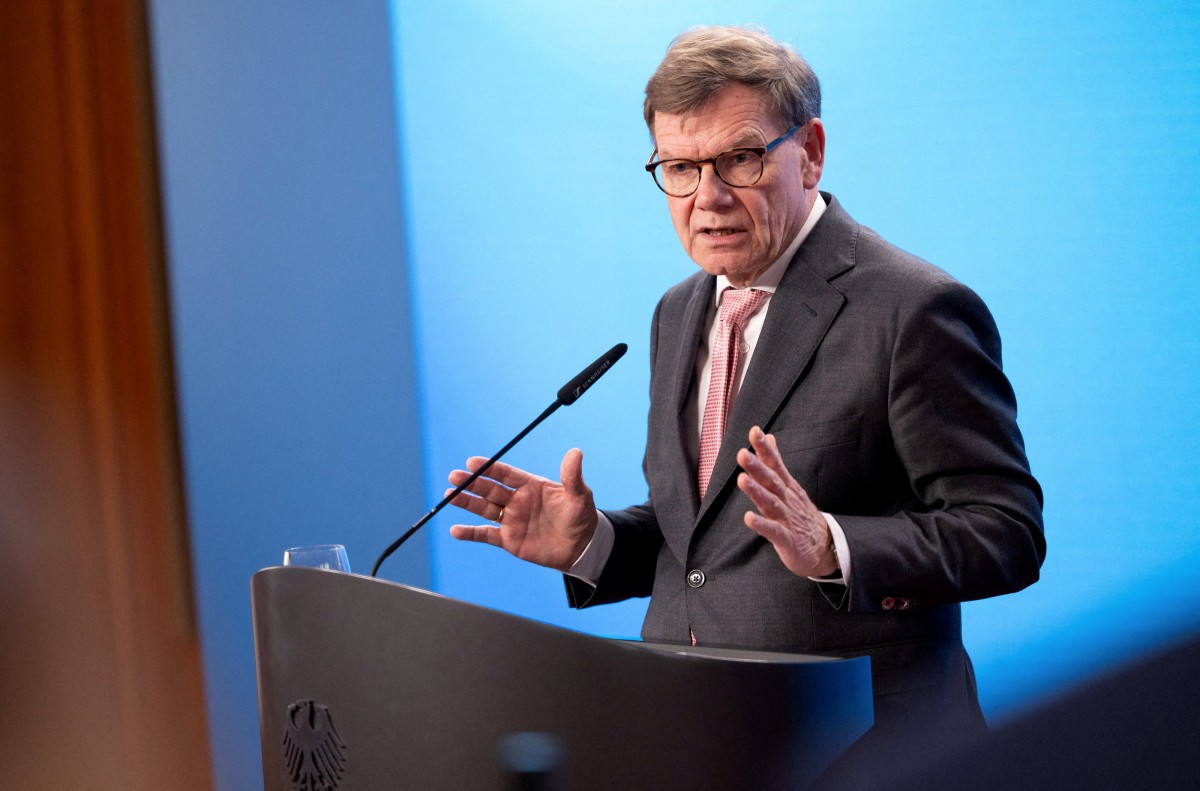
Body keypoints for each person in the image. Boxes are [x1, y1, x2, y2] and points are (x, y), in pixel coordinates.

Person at [446, 24, 1045, 766]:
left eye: (740, 159)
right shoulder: (679, 310)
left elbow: (1006, 532)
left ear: (811, 152)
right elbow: (704, 540)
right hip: (698, 744)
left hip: (865, 752)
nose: (708, 198)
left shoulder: (913, 308)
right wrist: (592, 543)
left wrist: (834, 546)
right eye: (679, 167)